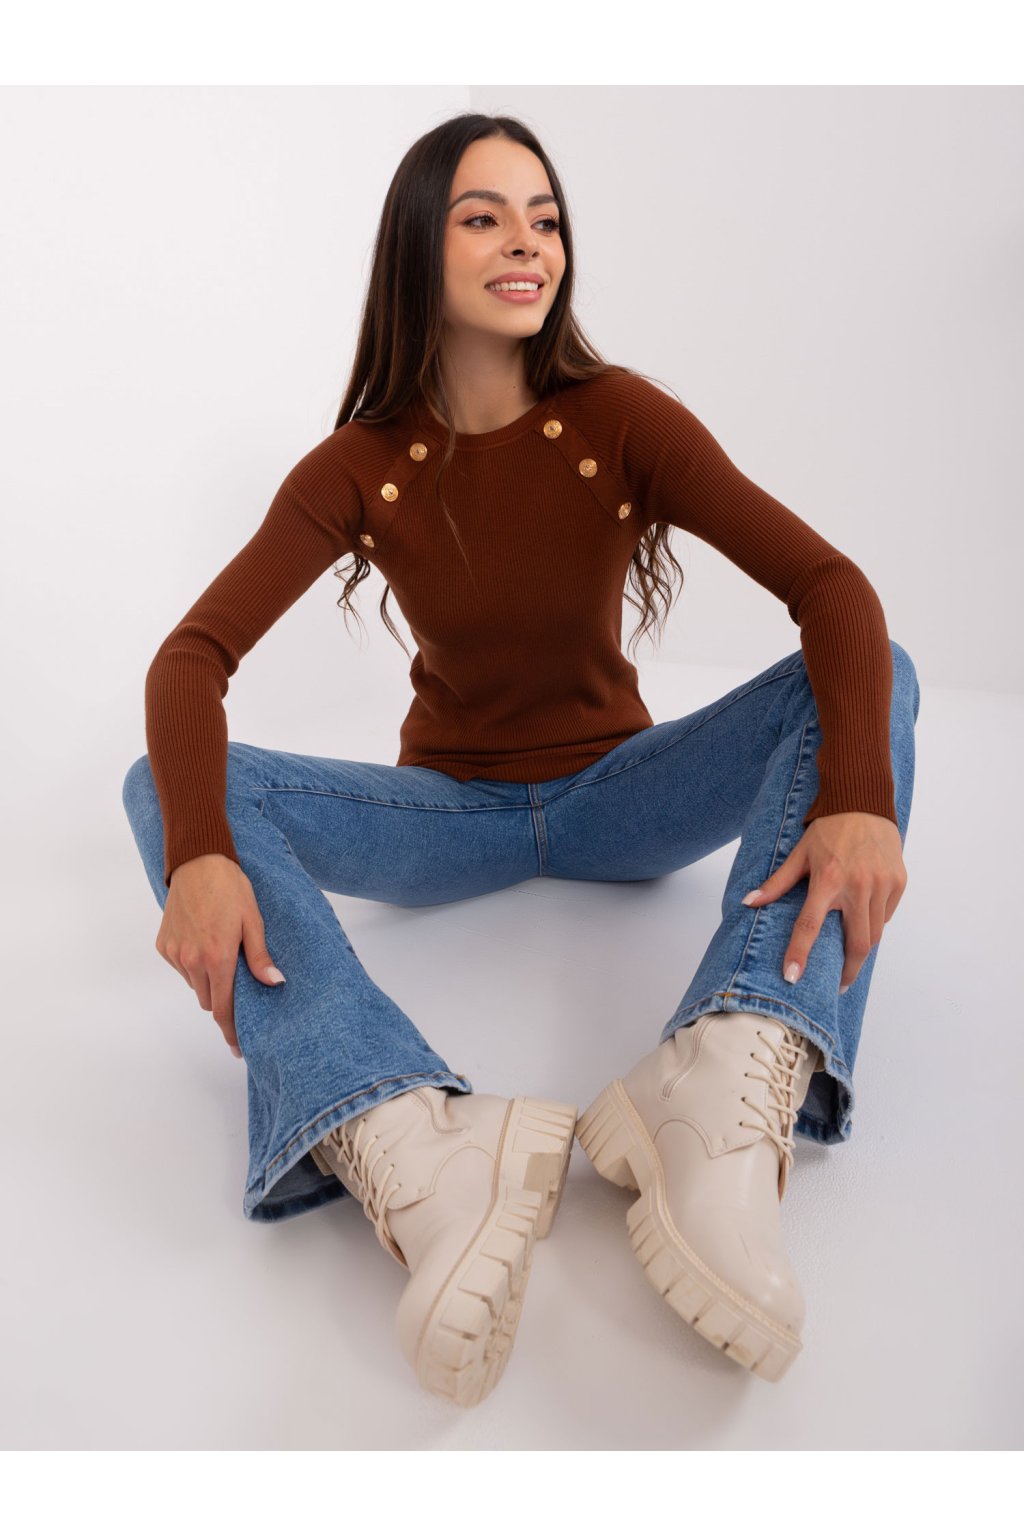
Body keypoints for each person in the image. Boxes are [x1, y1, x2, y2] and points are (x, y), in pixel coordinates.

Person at [121, 112, 920, 1409]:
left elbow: (833, 591)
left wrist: (860, 801)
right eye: (484, 216)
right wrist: (204, 851)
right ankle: (405, 1130)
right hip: (450, 813)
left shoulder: (620, 419)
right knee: (163, 786)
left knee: (882, 675)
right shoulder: (362, 465)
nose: (526, 243)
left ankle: (729, 1057)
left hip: (623, 799)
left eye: (544, 218)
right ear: (418, 247)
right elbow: (189, 661)